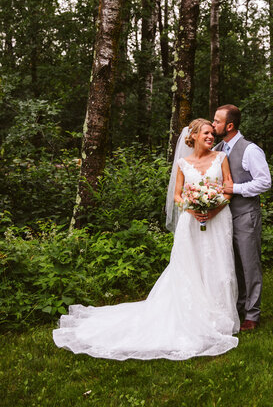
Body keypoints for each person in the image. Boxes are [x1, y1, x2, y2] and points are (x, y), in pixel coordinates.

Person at [53, 119, 239, 360]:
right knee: (191, 266)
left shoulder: (221, 158)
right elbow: (177, 195)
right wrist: (192, 207)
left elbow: (228, 187)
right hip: (191, 221)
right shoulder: (183, 163)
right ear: (193, 136)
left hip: (218, 218)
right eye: (206, 133)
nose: (211, 137)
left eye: (212, 134)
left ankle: (220, 318)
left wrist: (214, 207)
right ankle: (195, 315)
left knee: (218, 265)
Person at [213, 105, 271, 331]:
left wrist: (235, 188)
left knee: (249, 265)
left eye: (217, 121)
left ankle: (252, 315)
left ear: (229, 126)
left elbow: (264, 182)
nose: (213, 124)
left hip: (246, 215)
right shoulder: (218, 149)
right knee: (233, 265)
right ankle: (238, 306)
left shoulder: (250, 150)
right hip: (224, 218)